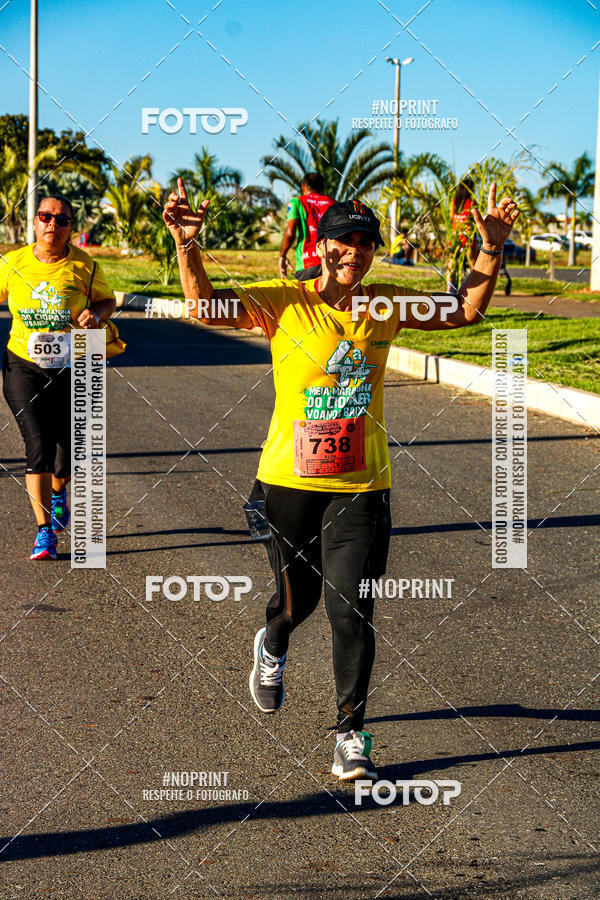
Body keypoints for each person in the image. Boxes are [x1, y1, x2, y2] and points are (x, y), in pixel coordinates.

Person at [164, 178, 519, 781]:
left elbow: (465, 311)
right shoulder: (283, 300)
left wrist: (491, 247)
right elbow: (204, 308)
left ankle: (351, 732)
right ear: (319, 246)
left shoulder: (385, 303)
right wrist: (187, 248)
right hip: (289, 481)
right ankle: (272, 641)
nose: (353, 251)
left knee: (351, 605)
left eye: (365, 242)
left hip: (362, 484)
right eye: (342, 241)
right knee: (297, 601)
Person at [0, 196, 116, 560]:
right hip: (22, 365)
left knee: (66, 452)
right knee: (38, 445)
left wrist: (94, 316)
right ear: (35, 222)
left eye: (62, 219)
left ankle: (59, 491)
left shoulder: (85, 265)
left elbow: (107, 302)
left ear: (70, 228)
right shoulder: (12, 262)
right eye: (45, 216)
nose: (53, 224)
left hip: (72, 366)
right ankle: (43, 531)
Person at [278, 173, 335, 281]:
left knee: (305, 297)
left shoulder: (297, 202)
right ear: (322, 187)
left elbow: (290, 233)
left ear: (303, 186)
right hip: (331, 263)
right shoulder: (333, 203)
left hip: (308, 264)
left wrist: (282, 255)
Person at [447, 177, 479, 293]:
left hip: (455, 236)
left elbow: (452, 220)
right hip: (467, 236)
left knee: (451, 262)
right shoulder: (472, 202)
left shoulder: (454, 202)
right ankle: (473, 287)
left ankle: (450, 287)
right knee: (472, 263)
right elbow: (475, 220)